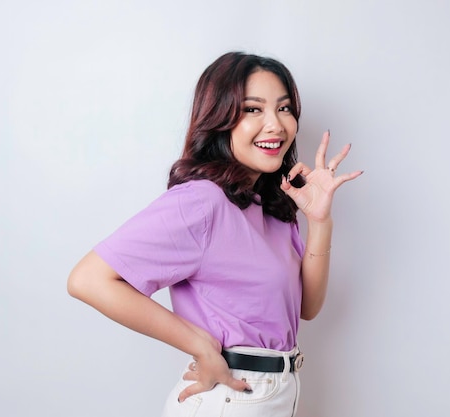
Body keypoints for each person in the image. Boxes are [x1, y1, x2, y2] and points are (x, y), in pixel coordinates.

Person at [67, 51, 362, 417]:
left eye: (284, 109)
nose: (276, 125)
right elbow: (88, 279)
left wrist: (319, 222)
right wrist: (199, 345)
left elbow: (307, 309)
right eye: (253, 109)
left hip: (278, 395)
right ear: (220, 118)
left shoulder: (271, 205)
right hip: (230, 398)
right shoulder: (201, 201)